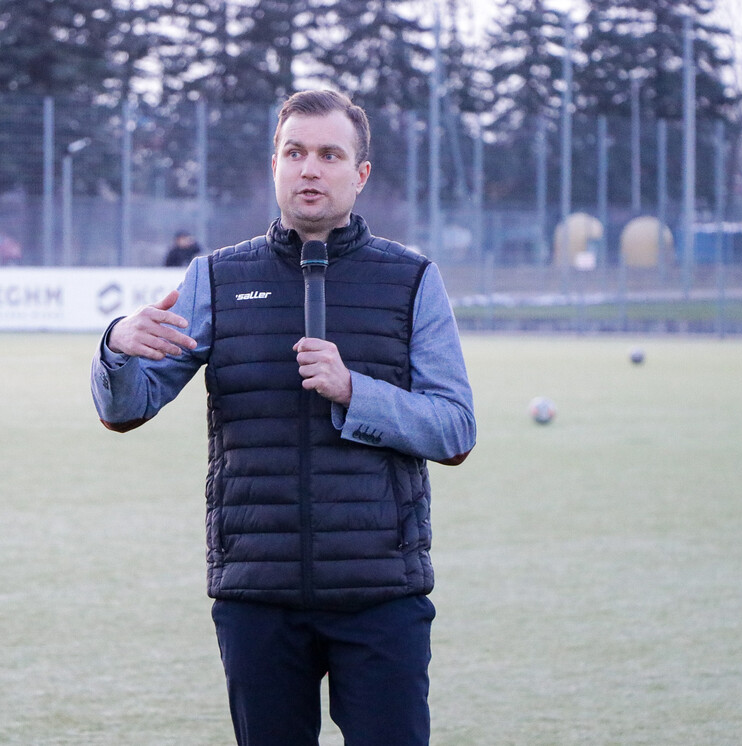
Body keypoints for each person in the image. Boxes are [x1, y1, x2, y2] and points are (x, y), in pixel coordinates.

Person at [90, 90, 476, 746]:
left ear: (360, 174)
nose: (310, 168)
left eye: (330, 154)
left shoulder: (412, 280)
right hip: (257, 596)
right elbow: (127, 408)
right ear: (275, 165)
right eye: (295, 152)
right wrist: (115, 348)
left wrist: (356, 391)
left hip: (380, 593)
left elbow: (455, 429)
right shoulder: (216, 277)